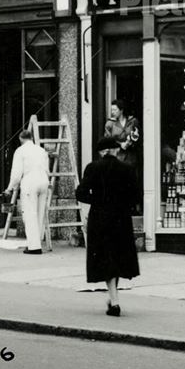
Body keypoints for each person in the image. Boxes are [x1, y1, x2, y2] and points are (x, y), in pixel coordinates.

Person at [76, 134, 140, 317]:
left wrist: (95, 200)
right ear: (116, 150)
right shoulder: (127, 169)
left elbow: (80, 193)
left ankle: (115, 301)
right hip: (121, 217)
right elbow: (135, 196)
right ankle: (113, 297)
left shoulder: (93, 168)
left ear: (102, 152)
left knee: (106, 258)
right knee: (116, 256)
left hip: (100, 216)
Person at [4, 130, 50, 254]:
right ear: (32, 138)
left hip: (30, 182)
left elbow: (16, 174)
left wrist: (9, 188)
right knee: (40, 213)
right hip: (44, 181)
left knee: (30, 214)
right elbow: (47, 168)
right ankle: (38, 242)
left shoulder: (20, 151)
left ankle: (34, 246)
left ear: (20, 139)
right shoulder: (41, 150)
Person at [104, 99, 140, 167]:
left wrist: (131, 142)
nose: (112, 112)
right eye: (112, 110)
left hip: (130, 157)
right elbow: (107, 140)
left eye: (115, 110)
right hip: (116, 157)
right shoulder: (110, 123)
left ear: (121, 110)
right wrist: (120, 144)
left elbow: (138, 137)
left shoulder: (132, 121)